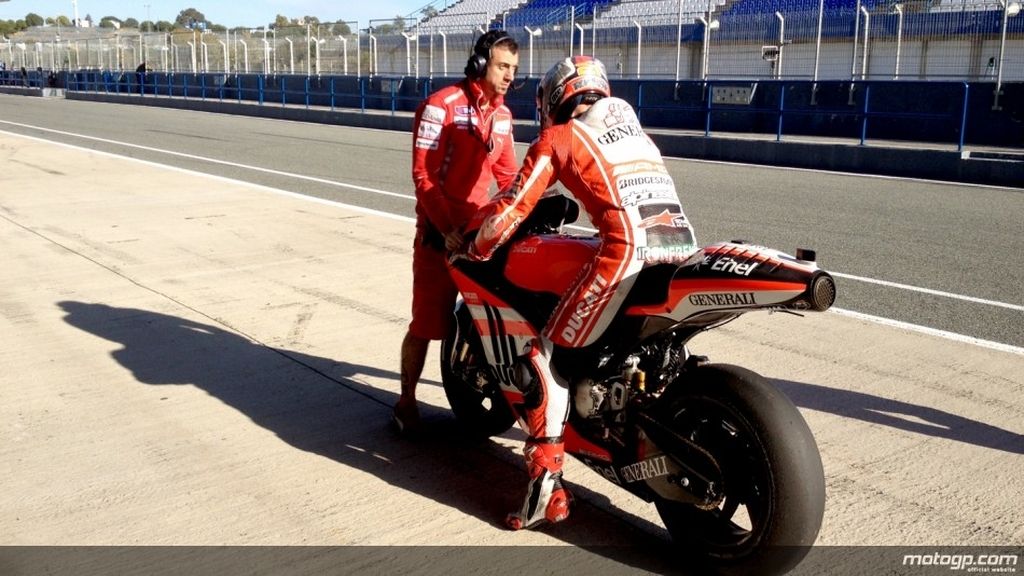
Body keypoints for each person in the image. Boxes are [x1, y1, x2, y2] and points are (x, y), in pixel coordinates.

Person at [464, 55, 697, 530]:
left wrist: (477, 246)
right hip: (679, 246)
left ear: (553, 98)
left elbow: (514, 207)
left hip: (627, 251)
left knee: (547, 357)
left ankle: (544, 489)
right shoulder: (635, 129)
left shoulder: (559, 137)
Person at [393, 30, 520, 433]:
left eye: (514, 69)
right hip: (439, 235)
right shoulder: (439, 106)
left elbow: (509, 178)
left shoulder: (502, 117)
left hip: (479, 237)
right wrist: (446, 227)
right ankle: (406, 400)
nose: (509, 76)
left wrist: (524, 214)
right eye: (502, 66)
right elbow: (423, 175)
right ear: (480, 64)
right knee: (427, 325)